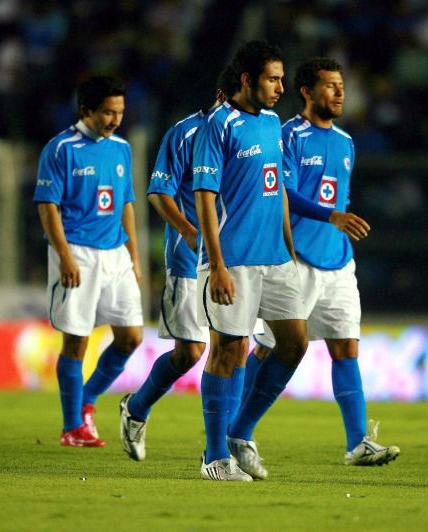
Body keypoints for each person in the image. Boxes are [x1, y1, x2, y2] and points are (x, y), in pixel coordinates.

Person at [246, 57, 400, 467]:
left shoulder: (347, 143)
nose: (339, 93)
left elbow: (338, 198)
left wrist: (338, 221)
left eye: (341, 87)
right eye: (330, 86)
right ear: (307, 92)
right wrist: (329, 216)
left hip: (337, 261)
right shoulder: (288, 136)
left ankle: (357, 443)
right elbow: (283, 191)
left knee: (346, 348)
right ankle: (233, 429)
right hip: (296, 259)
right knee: (267, 347)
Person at [193, 41, 308, 481]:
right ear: (247, 79)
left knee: (294, 342)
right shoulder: (218, 125)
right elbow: (204, 197)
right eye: (273, 78)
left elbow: (275, 185)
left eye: (282, 78)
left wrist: (288, 243)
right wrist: (217, 264)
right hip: (233, 257)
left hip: (274, 256)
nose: (282, 87)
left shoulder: (274, 122)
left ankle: (240, 432)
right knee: (228, 348)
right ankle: (214, 458)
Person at [118, 66, 239, 461]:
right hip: (189, 259)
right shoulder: (185, 132)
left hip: (237, 261)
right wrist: (188, 230)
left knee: (235, 348)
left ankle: (228, 444)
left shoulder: (250, 133)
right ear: (224, 94)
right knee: (190, 352)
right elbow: (158, 192)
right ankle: (136, 408)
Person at [34, 75, 144, 448]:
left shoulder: (121, 149)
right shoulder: (61, 149)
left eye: (120, 112)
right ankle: (72, 427)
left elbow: (126, 202)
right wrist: (63, 255)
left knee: (131, 337)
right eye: (107, 113)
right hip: (77, 251)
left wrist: (133, 254)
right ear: (85, 111)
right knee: (76, 343)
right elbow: (47, 206)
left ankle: (87, 400)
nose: (115, 120)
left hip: (116, 253)